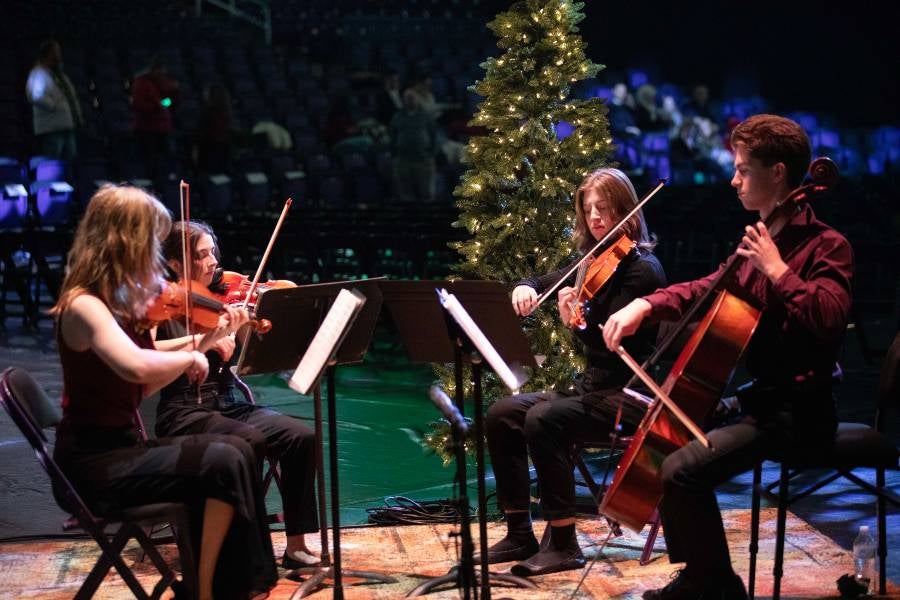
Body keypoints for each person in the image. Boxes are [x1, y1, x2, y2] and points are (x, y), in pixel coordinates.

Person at [602, 114, 853, 600]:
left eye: (742, 169)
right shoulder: (759, 241)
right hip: (760, 401)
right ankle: (701, 574)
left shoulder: (828, 246)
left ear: (777, 174)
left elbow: (828, 321)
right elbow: (707, 289)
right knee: (667, 443)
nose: (733, 179)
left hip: (800, 411)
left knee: (681, 468)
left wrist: (779, 272)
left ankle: (714, 585)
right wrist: (645, 305)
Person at [49, 184, 278, 600]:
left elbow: (145, 375)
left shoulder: (118, 304)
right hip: (92, 465)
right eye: (150, 244)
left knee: (237, 450)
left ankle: (210, 587)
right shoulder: (85, 305)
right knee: (224, 458)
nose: (156, 258)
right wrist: (190, 358)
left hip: (122, 448)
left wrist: (205, 341)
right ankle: (215, 590)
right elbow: (137, 365)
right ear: (124, 241)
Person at [483, 168, 666, 576]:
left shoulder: (642, 270)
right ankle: (519, 533)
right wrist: (526, 286)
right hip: (595, 389)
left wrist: (580, 324)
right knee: (501, 414)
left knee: (543, 419)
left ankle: (564, 542)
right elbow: (546, 279)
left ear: (625, 209)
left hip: (632, 394)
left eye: (604, 208)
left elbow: (614, 344)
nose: (596, 217)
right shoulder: (593, 258)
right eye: (588, 210)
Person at [153, 220, 321, 569]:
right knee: (247, 442)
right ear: (175, 263)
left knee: (301, 437)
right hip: (186, 412)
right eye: (202, 255)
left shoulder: (222, 299)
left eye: (213, 251)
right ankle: (245, 550)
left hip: (230, 403)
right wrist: (208, 339)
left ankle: (296, 545)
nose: (214, 261)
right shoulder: (160, 303)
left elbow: (247, 356)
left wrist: (244, 326)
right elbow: (151, 350)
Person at [25, 39, 82, 160]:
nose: (59, 55)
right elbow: (35, 96)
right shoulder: (38, 73)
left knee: (70, 162)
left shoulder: (60, 75)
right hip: (52, 129)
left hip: (67, 126)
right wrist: (53, 105)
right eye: (56, 51)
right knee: (53, 163)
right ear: (48, 53)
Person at [132, 54, 179, 175]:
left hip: (163, 127)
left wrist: (165, 103)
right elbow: (140, 105)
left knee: (164, 159)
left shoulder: (165, 82)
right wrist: (158, 106)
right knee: (150, 160)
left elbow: (169, 101)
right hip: (146, 128)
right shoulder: (142, 83)